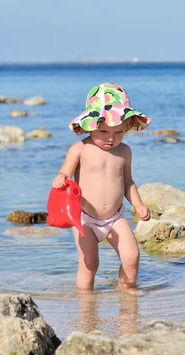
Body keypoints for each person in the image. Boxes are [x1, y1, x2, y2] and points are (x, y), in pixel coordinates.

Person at [53, 83, 152, 294]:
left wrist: (139, 205)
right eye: (104, 131)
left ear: (127, 127)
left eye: (118, 132)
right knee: (89, 264)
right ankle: (85, 299)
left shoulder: (124, 151)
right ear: (89, 125)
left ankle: (126, 288)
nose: (111, 138)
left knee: (131, 256)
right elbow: (64, 174)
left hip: (115, 218)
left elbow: (127, 183)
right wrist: (60, 178)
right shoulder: (80, 149)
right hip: (84, 220)